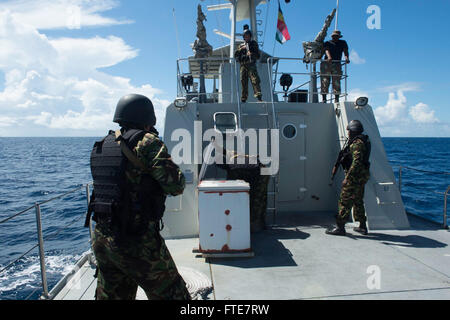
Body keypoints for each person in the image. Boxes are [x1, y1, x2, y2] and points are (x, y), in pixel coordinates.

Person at [87, 94, 191, 300]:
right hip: (136, 241)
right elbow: (175, 185)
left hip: (102, 238)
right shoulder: (147, 142)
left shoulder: (103, 144)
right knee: (173, 294)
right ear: (147, 118)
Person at [326, 120, 371, 236]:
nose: (348, 133)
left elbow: (356, 162)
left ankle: (340, 227)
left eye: (349, 131)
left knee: (344, 201)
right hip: (361, 176)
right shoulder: (362, 140)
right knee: (358, 200)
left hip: (355, 177)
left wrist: (348, 178)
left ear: (353, 131)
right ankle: (362, 226)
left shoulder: (357, 143)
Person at [217, 149, 270, 233]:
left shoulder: (232, 168)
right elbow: (223, 150)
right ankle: (255, 223)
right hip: (258, 169)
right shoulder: (232, 157)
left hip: (262, 172)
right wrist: (215, 145)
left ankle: (256, 225)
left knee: (257, 199)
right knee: (257, 198)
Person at [320, 30, 350, 103]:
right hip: (326, 64)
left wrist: (346, 58)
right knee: (325, 81)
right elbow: (326, 50)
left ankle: (336, 98)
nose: (335, 37)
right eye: (334, 36)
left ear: (339, 37)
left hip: (337, 64)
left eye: (336, 36)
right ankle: (324, 98)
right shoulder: (327, 43)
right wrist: (329, 57)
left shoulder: (343, 43)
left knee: (336, 81)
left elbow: (345, 51)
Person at [235, 27, 262, 102]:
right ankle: (243, 98)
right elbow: (236, 55)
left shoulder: (253, 44)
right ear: (243, 37)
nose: (247, 37)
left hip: (251, 65)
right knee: (243, 82)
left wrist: (251, 53)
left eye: (248, 36)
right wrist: (241, 49)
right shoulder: (241, 46)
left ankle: (259, 97)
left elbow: (258, 56)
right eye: (245, 36)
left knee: (255, 80)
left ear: (250, 36)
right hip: (243, 65)